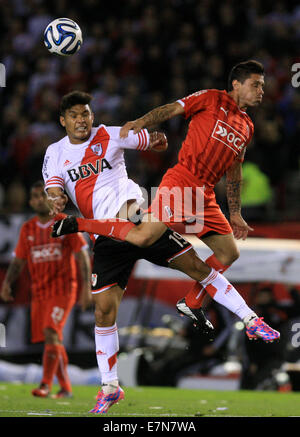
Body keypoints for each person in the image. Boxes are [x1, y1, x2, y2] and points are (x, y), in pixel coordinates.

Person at [44, 90, 279, 414]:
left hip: (136, 217)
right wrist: (55, 199)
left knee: (198, 267)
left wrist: (153, 140)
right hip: (107, 241)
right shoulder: (55, 153)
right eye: (74, 116)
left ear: (92, 115)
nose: (81, 120)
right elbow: (53, 189)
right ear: (63, 120)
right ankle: (110, 386)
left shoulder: (109, 134)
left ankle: (250, 319)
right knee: (103, 311)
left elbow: (150, 140)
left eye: (85, 113)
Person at [118, 59, 264, 320]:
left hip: (204, 195)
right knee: (143, 238)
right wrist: (141, 122)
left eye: (262, 86)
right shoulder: (210, 98)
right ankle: (104, 234)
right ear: (236, 84)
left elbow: (234, 169)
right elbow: (173, 109)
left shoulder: (247, 126)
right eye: (255, 85)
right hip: (182, 181)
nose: (261, 91)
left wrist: (236, 212)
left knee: (229, 253)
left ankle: (193, 301)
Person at [0, 180, 92, 398]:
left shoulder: (65, 223)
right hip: (40, 292)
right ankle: (66, 387)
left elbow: (83, 257)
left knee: (51, 331)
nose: (39, 200)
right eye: (35, 197)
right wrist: (7, 283)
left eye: (43, 195)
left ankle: (45, 384)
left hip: (63, 290)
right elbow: (19, 261)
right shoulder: (28, 229)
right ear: (31, 202)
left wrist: (87, 288)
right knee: (53, 339)